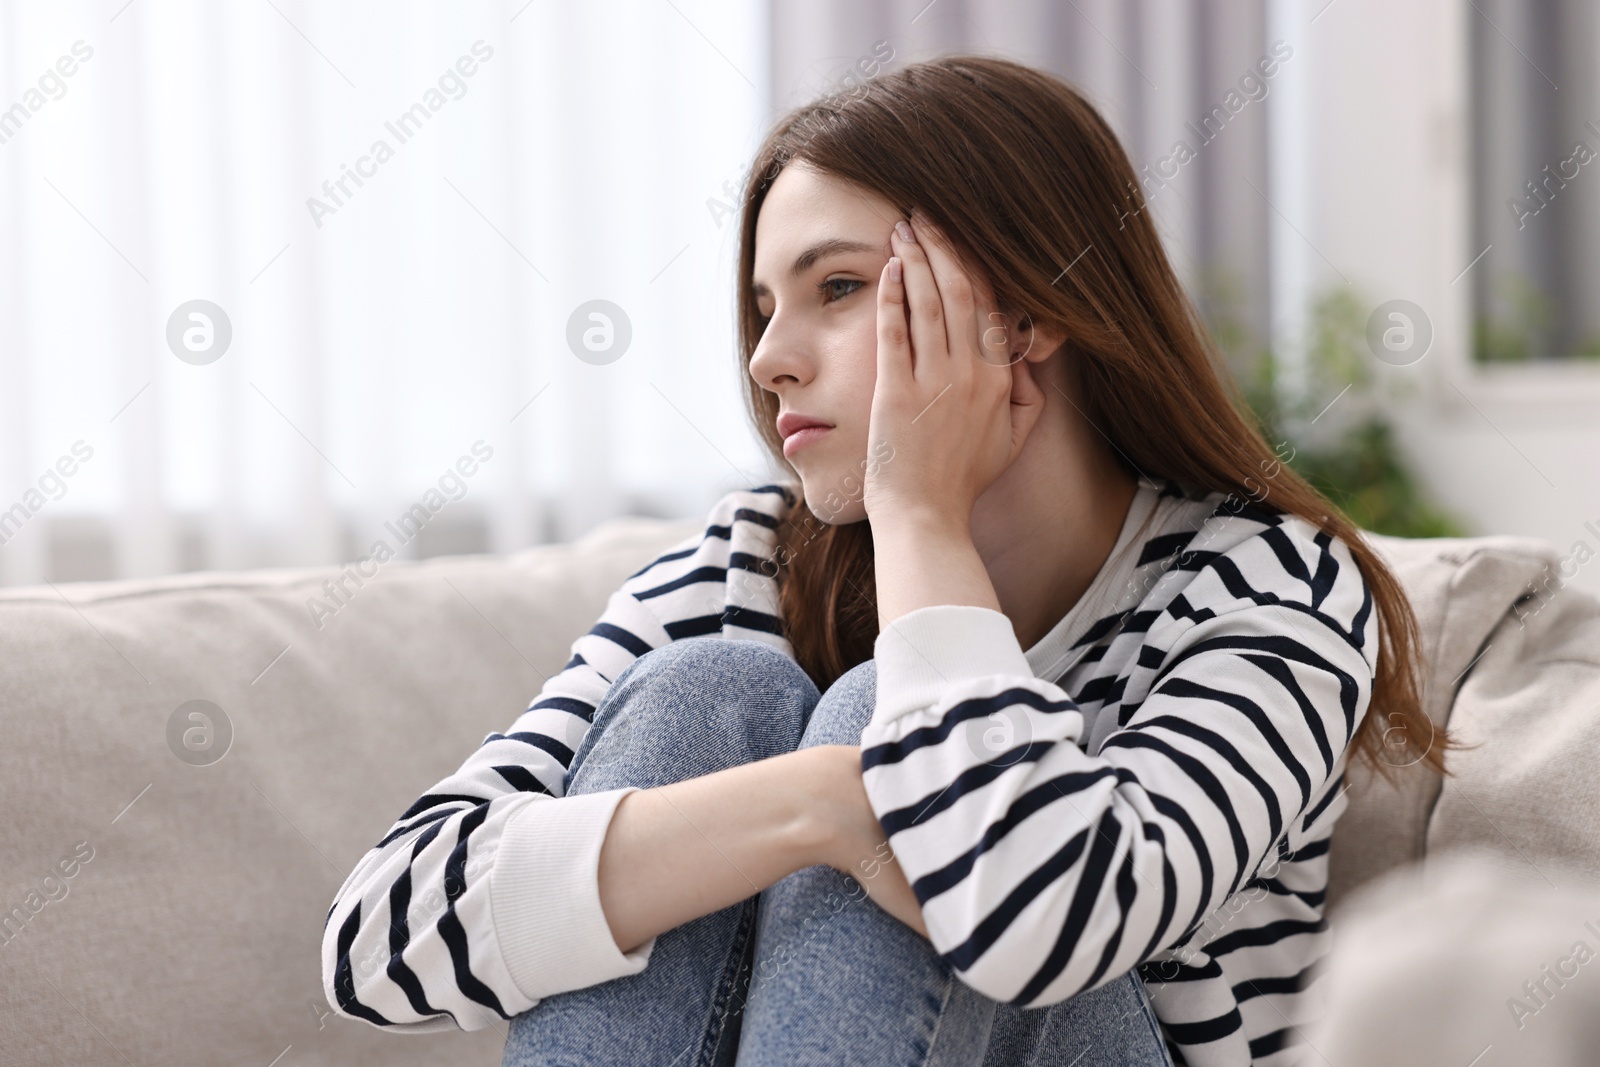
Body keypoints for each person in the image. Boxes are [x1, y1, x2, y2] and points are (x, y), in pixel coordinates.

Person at [320, 54, 1448, 1066]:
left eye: (838, 288)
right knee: (707, 690)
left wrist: (918, 521)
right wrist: (821, 801)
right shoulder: (745, 565)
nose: (767, 358)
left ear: (1029, 311)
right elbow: (375, 937)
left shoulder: (1269, 586)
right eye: (763, 307)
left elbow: (1041, 911)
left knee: (889, 720)